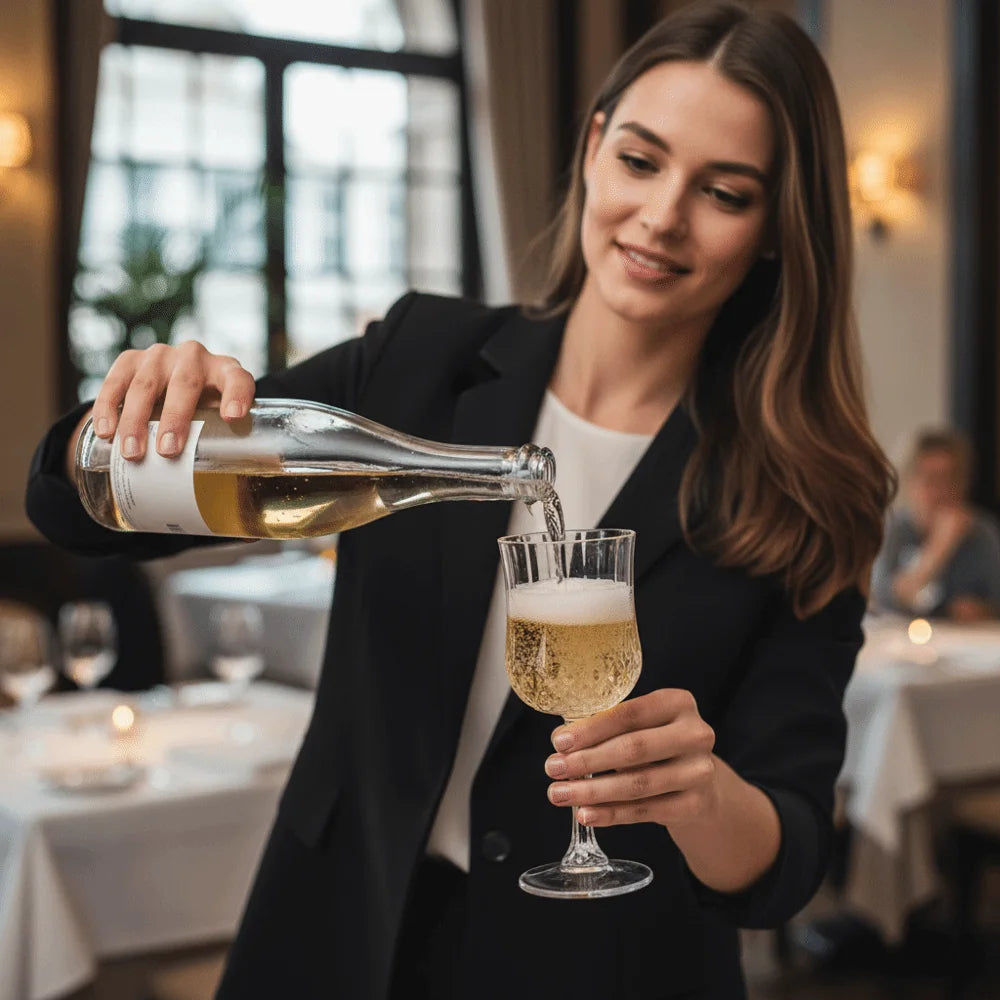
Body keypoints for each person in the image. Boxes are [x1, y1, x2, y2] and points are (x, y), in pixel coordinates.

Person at [26, 2, 895, 997]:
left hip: (605, 969)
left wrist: (701, 795)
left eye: (725, 192)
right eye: (642, 161)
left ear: (778, 227)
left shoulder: (808, 487)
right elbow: (74, 511)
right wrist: (129, 417)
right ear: (591, 145)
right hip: (338, 935)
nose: (661, 216)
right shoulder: (418, 360)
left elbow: (785, 859)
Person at [871, 428, 1000, 621]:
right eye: (930, 479)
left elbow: (993, 601)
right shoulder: (892, 528)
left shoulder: (982, 532)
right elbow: (881, 599)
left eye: (950, 479)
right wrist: (939, 546)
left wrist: (982, 610)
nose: (941, 491)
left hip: (966, 642)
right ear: (910, 482)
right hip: (897, 640)